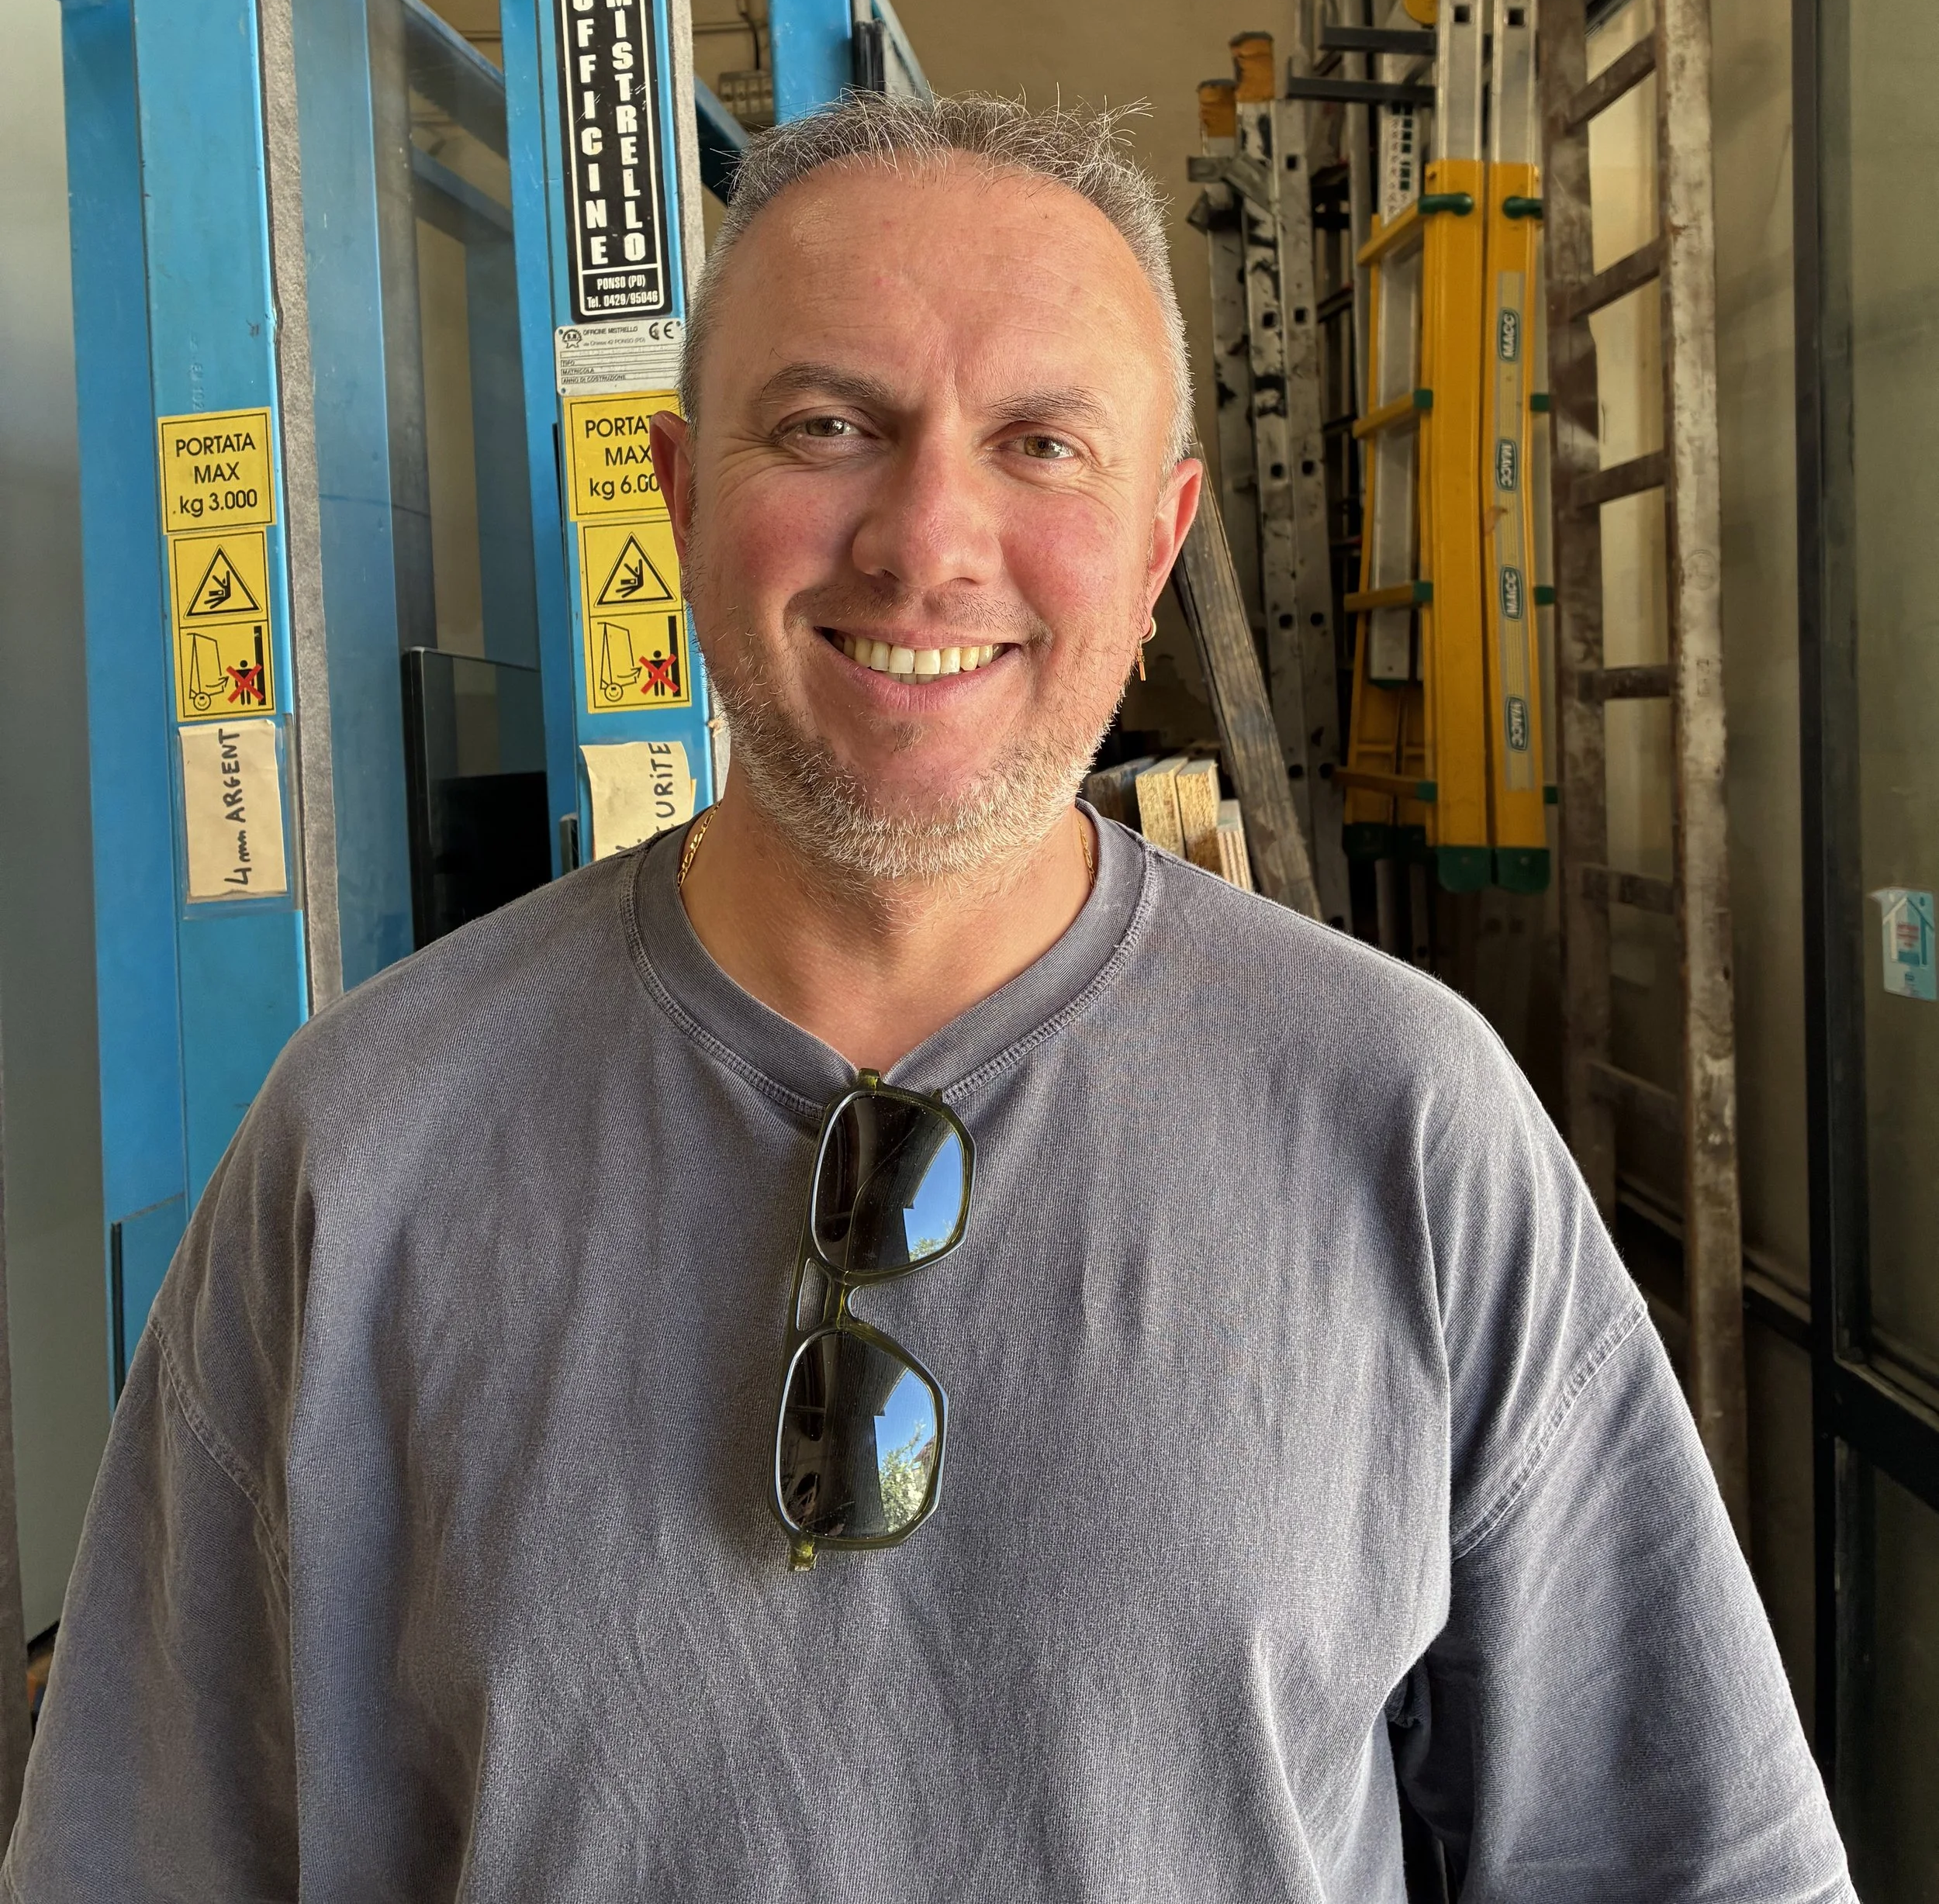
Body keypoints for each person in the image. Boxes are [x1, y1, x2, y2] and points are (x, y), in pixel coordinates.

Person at [7, 95, 1850, 1902]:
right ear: (676, 495)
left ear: (1156, 545)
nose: (925, 539)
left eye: (1040, 444)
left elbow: (1688, 1856)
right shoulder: (361, 1143)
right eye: (828, 425)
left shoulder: (1402, 1122)